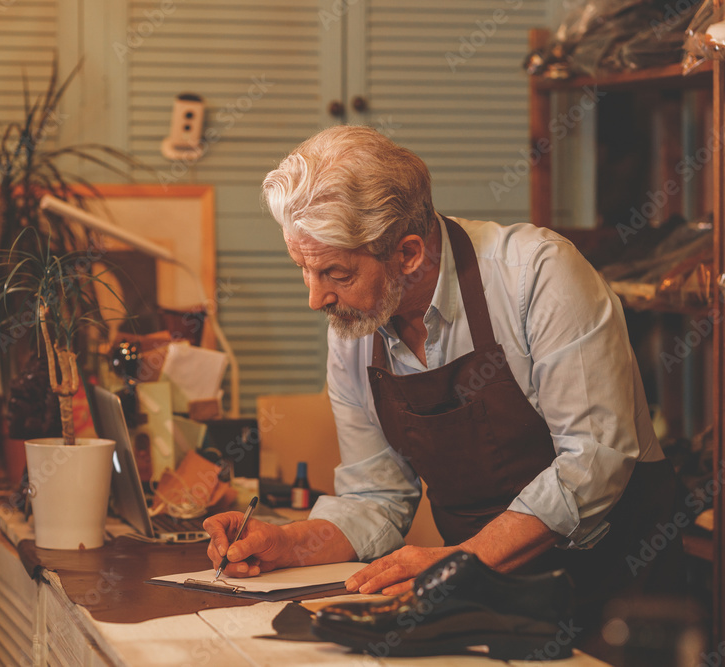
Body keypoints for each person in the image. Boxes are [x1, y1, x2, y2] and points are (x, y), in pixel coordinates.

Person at [203, 125, 682, 626]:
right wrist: (287, 543)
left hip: (617, 585)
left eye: (337, 274)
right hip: (479, 591)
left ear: (408, 254)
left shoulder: (537, 275)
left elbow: (593, 462)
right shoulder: (354, 327)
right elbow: (377, 497)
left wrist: (462, 561)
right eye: (303, 268)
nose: (315, 298)